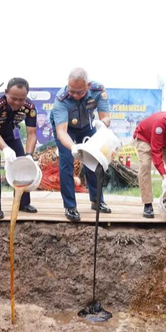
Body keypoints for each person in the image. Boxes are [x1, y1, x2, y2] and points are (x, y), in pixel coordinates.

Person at [50, 67, 112, 222]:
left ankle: (97, 201)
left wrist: (102, 124)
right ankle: (70, 206)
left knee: (94, 160)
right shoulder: (61, 100)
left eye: (80, 92)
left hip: (87, 126)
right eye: (72, 91)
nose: (76, 95)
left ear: (88, 86)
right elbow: (62, 131)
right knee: (66, 163)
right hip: (66, 129)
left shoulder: (98, 90)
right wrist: (73, 147)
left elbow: (106, 118)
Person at [0, 77, 38, 219]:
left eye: (21, 99)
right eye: (13, 98)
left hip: (9, 131)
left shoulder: (30, 107)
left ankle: (23, 202)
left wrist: (29, 154)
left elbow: (31, 133)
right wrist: (5, 149)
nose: (17, 103)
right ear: (6, 92)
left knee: (22, 161)